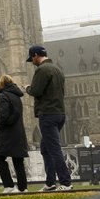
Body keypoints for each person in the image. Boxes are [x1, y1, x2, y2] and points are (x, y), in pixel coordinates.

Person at [26, 44, 71, 191]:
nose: (32, 62)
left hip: (48, 114)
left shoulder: (42, 70)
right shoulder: (57, 69)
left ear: (35, 56)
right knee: (45, 149)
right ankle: (50, 183)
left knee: (54, 149)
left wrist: (27, 88)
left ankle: (66, 182)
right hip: (59, 113)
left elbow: (36, 91)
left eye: (32, 59)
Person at [0, 74, 29, 194]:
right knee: (18, 161)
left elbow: (3, 115)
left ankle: (8, 185)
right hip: (18, 133)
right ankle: (23, 188)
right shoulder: (17, 96)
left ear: (1, 84)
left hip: (7, 134)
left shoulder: (3, 96)